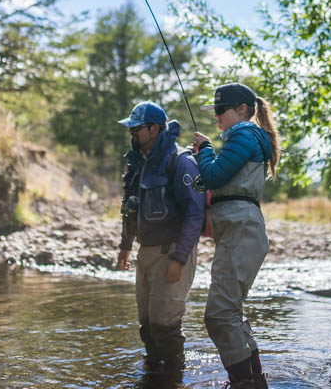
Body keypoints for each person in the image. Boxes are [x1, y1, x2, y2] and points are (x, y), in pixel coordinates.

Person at [192, 83, 279, 389]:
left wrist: (204, 150)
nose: (216, 117)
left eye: (220, 110)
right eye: (214, 111)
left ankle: (245, 384)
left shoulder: (243, 133)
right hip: (242, 231)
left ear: (242, 109)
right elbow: (218, 178)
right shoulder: (246, 136)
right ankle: (254, 383)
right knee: (230, 312)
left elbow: (214, 175)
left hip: (242, 231)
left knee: (218, 316)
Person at [117, 100, 205, 374]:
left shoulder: (181, 161)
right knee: (146, 324)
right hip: (145, 253)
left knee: (164, 325)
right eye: (130, 127)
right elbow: (129, 207)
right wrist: (125, 246)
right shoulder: (136, 163)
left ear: (154, 129)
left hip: (174, 250)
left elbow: (195, 213)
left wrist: (179, 259)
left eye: (137, 127)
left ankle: (175, 376)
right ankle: (155, 374)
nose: (131, 132)